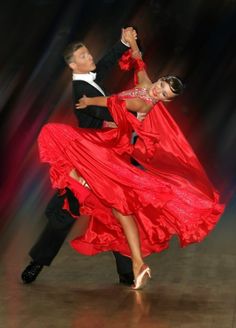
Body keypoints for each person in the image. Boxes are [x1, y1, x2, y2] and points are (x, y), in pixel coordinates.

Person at [37, 32, 224, 289]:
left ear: (166, 100)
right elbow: (138, 60)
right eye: (161, 85)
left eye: (164, 93)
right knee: (103, 210)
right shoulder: (146, 84)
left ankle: (131, 265)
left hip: (108, 146)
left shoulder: (144, 101)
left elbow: (114, 103)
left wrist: (91, 101)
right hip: (100, 147)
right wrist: (131, 40)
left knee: (55, 135)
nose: (158, 90)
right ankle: (134, 263)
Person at [21, 27, 137, 285]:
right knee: (68, 210)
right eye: (84, 56)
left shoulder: (89, 78)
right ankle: (37, 263)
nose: (89, 57)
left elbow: (105, 65)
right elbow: (99, 114)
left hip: (105, 157)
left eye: (87, 53)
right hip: (89, 159)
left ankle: (127, 272)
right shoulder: (81, 91)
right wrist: (129, 115)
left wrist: (122, 43)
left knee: (116, 209)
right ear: (74, 65)